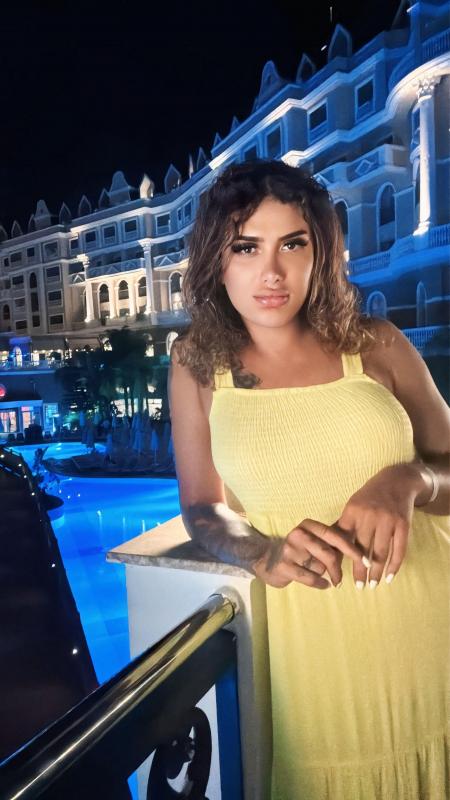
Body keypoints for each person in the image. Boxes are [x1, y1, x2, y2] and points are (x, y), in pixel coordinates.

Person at [168, 160, 449, 799]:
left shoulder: (375, 343)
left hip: (431, 626)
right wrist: (260, 552)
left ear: (319, 253)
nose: (272, 272)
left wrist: (408, 479)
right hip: (313, 650)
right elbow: (203, 507)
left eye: (292, 244)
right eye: (247, 247)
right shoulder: (196, 364)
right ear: (216, 260)